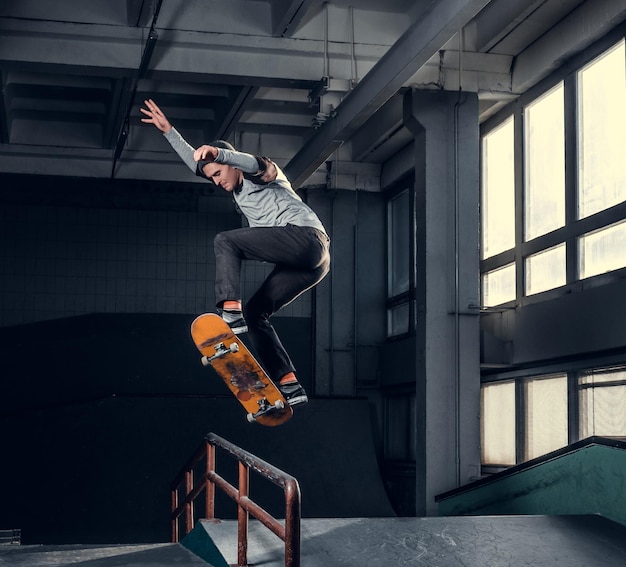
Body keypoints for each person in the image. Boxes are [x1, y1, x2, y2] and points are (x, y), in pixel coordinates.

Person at [140, 99, 330, 407]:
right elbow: (197, 162)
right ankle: (290, 384)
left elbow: (257, 164)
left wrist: (217, 153)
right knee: (258, 314)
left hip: (307, 239)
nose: (218, 182)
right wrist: (168, 131)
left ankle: (230, 310)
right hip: (309, 265)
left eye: (218, 174)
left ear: (230, 163)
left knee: (225, 241)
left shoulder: (261, 176)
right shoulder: (235, 190)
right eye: (213, 179)